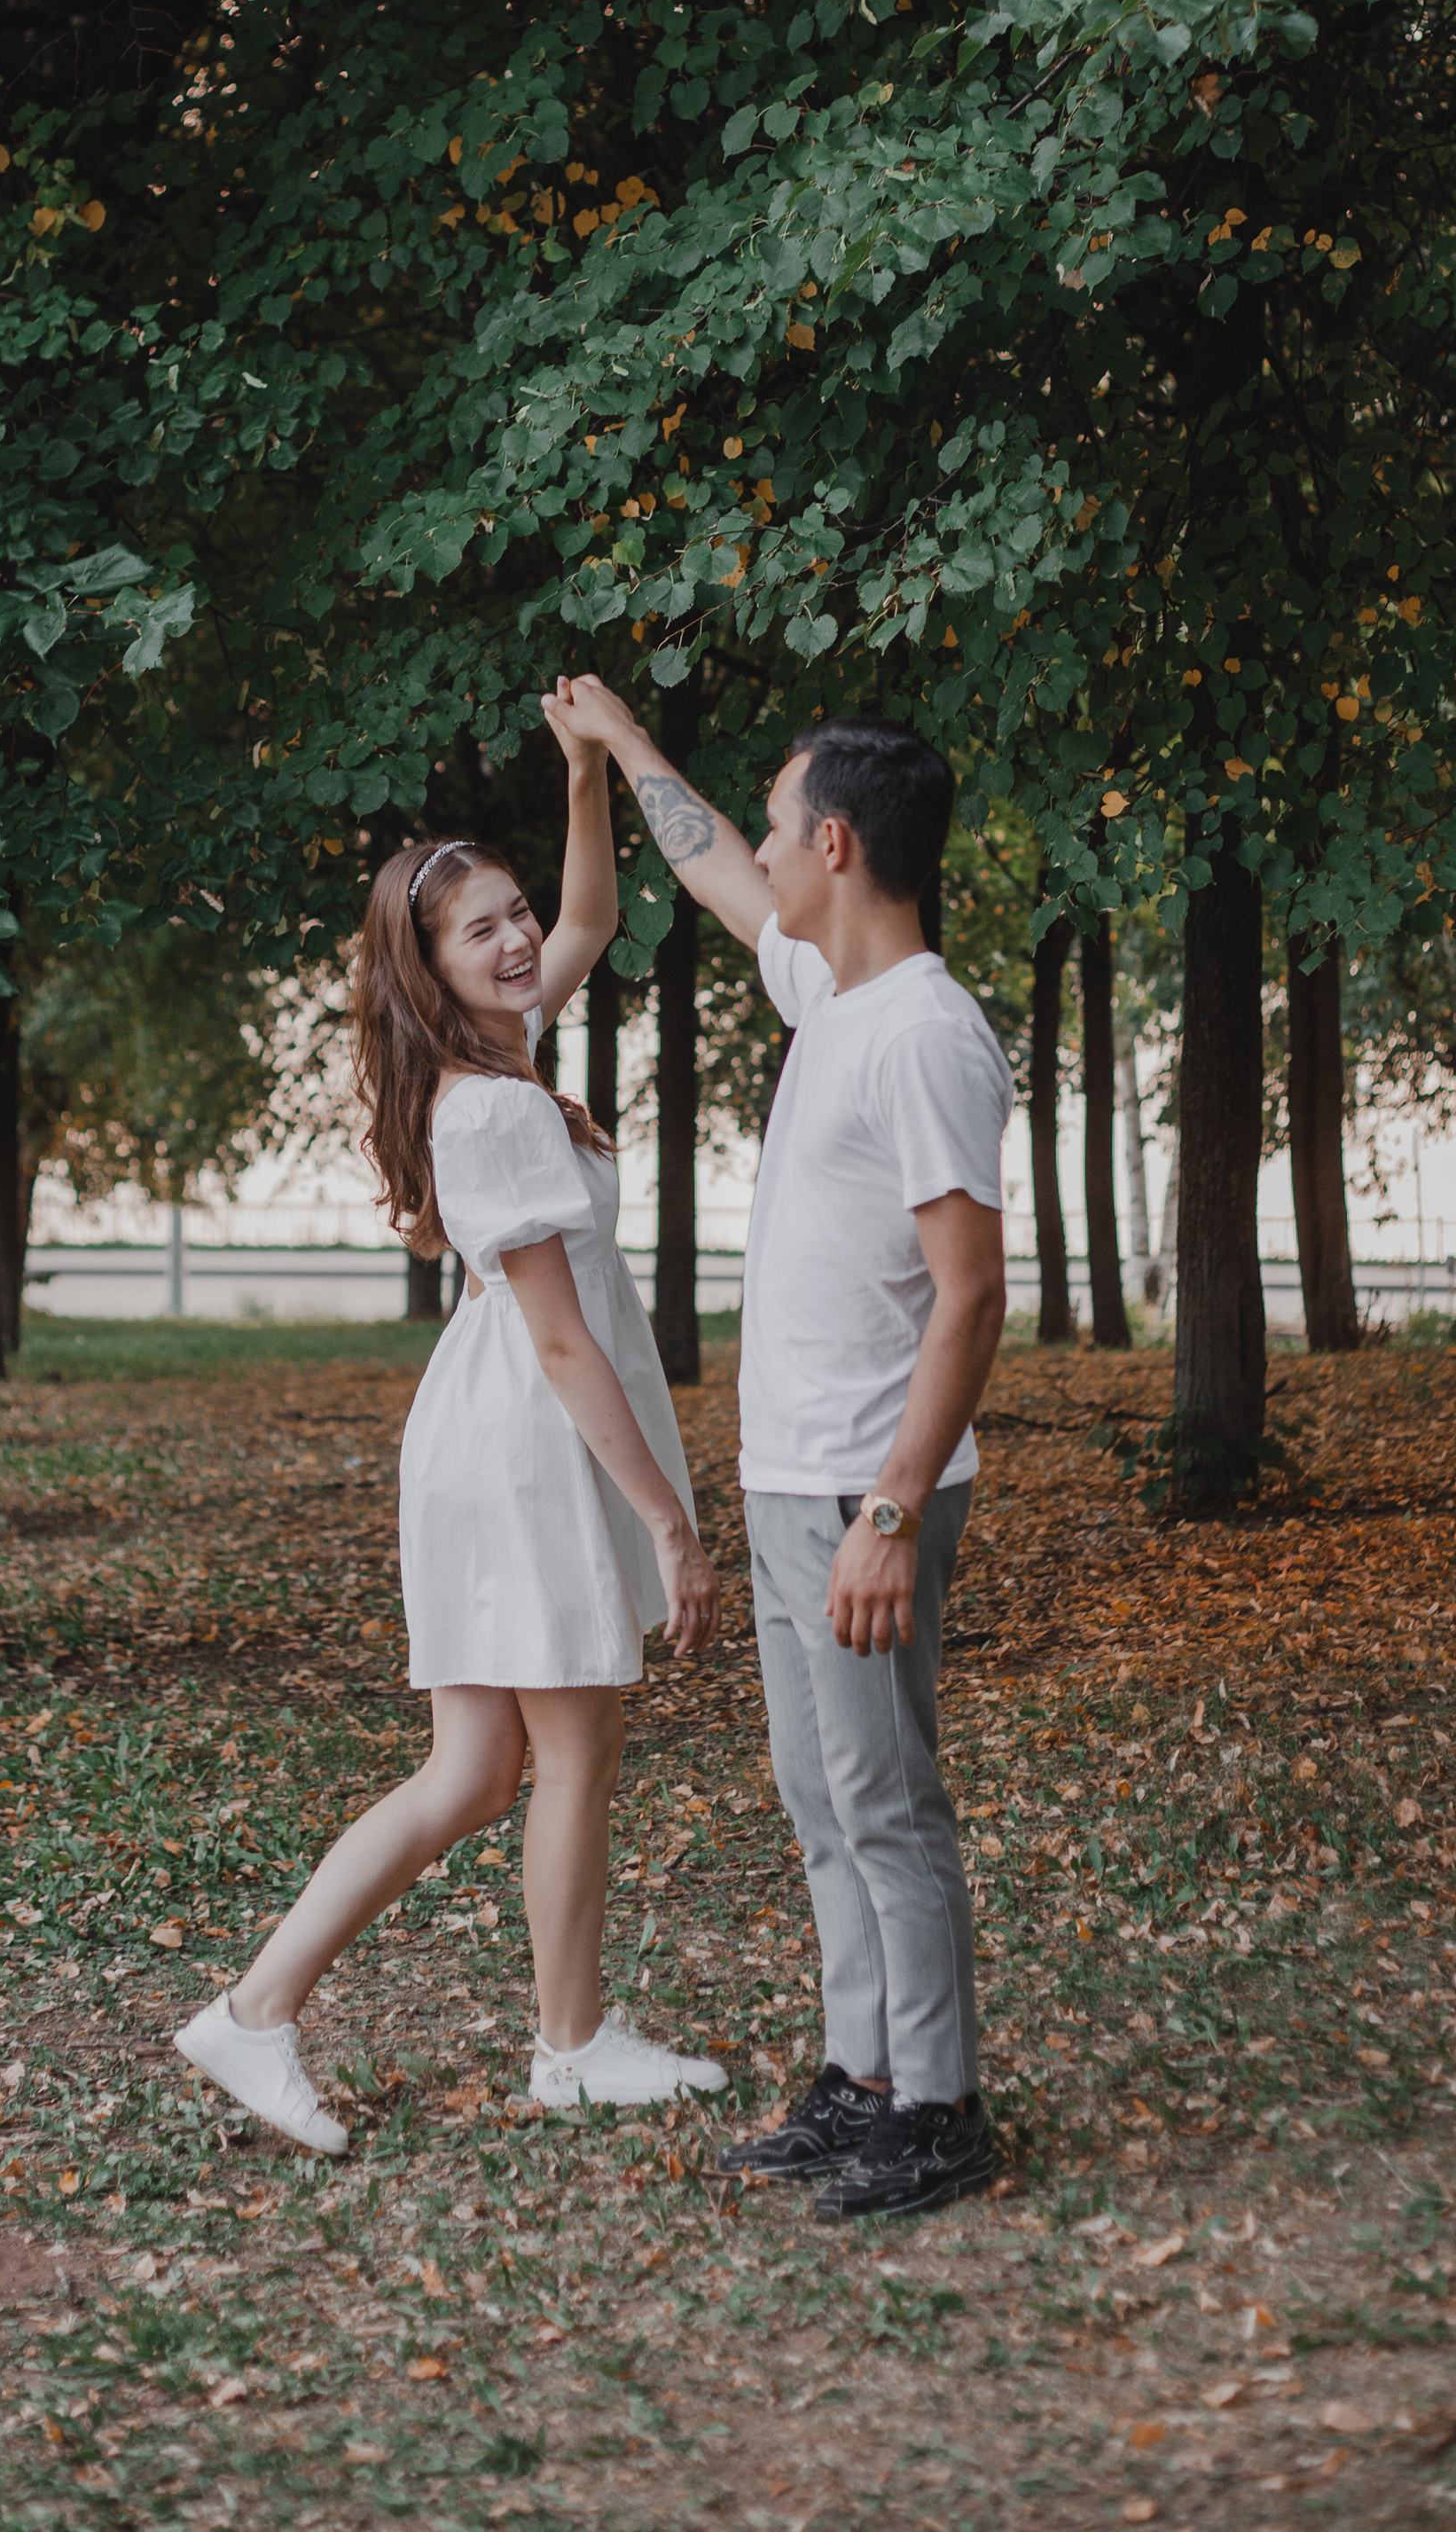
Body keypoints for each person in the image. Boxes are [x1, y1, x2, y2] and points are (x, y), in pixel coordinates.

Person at [173, 682, 726, 2155]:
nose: (520, 938)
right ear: (427, 969)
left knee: (475, 1772)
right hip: (527, 1438)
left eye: (513, 913)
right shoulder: (493, 1106)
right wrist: (671, 1525)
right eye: (480, 930)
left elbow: (593, 914)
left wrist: (586, 771)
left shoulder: (500, 1056)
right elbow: (563, 1341)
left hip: (490, 1429)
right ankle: (571, 2046)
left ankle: (255, 2012)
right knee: (573, 1750)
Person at [560, 681, 1014, 2222]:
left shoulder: (927, 1036)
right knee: (823, 1798)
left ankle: (940, 2108)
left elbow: (973, 1296)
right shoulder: (831, 993)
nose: (757, 844)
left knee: (886, 1801)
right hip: (789, 1480)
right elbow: (709, 868)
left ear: (836, 843)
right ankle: (863, 2078)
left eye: (777, 822)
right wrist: (624, 747)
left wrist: (889, 1510)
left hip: (860, 1490)